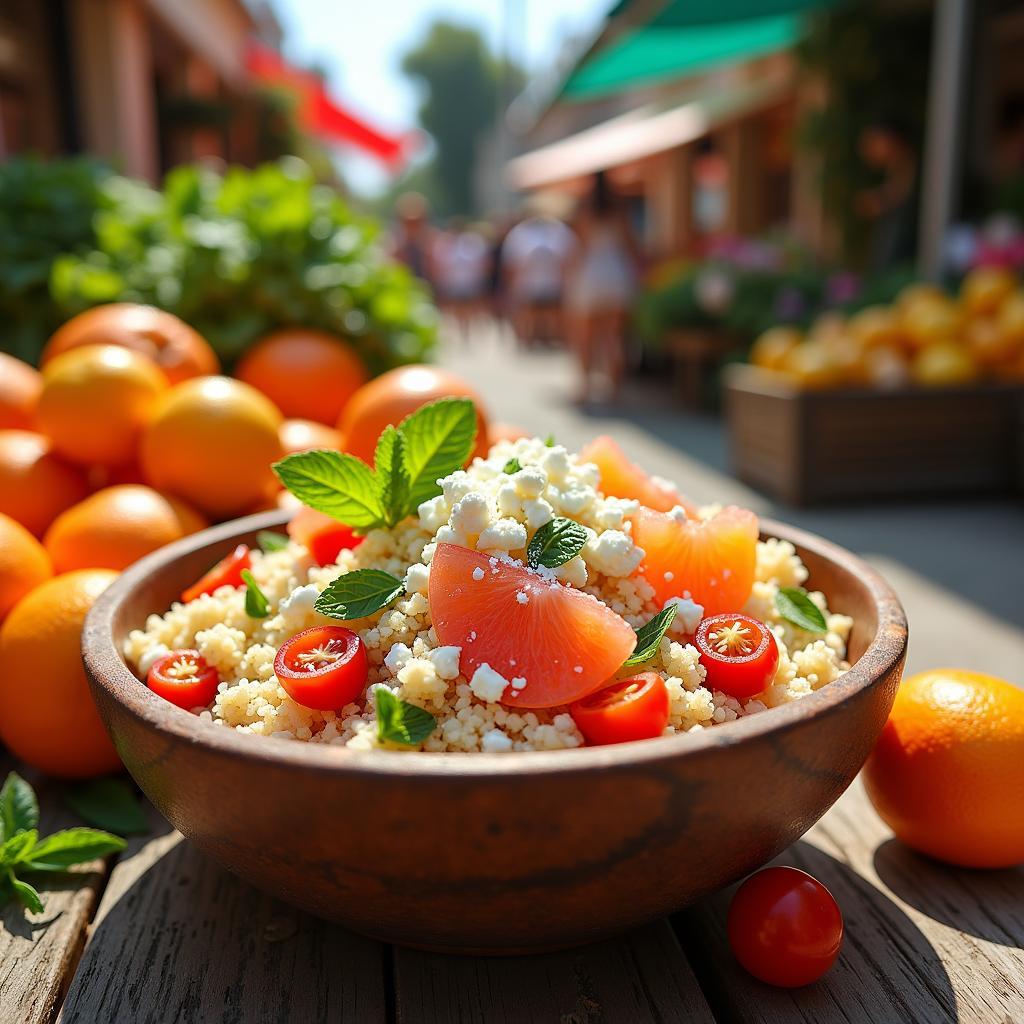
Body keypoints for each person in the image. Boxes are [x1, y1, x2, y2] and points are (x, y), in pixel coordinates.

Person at [564, 171, 640, 403]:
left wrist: (569, 277)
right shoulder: (620, 210)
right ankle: (614, 390)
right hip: (616, 274)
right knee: (613, 338)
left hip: (590, 275)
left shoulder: (584, 210)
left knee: (586, 338)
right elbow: (630, 246)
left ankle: (585, 388)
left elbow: (579, 248)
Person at [501, 209, 576, 348]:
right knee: (530, 313)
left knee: (551, 313)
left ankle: (549, 338)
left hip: (551, 283)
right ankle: (530, 340)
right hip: (529, 284)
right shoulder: (520, 233)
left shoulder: (558, 230)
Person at [857, 117, 918, 271]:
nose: (868, 149)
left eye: (874, 141)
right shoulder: (894, 172)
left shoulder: (916, 172)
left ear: (892, 140)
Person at [431, 218, 491, 342]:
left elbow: (480, 263)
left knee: (468, 307)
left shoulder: (471, 242)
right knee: (458, 308)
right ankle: (462, 330)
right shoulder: (446, 244)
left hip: (468, 282)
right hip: (455, 282)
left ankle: (467, 329)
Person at [390, 192, 435, 287]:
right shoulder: (393, 247)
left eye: (417, 222)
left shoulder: (432, 245)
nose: (412, 227)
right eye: (408, 223)